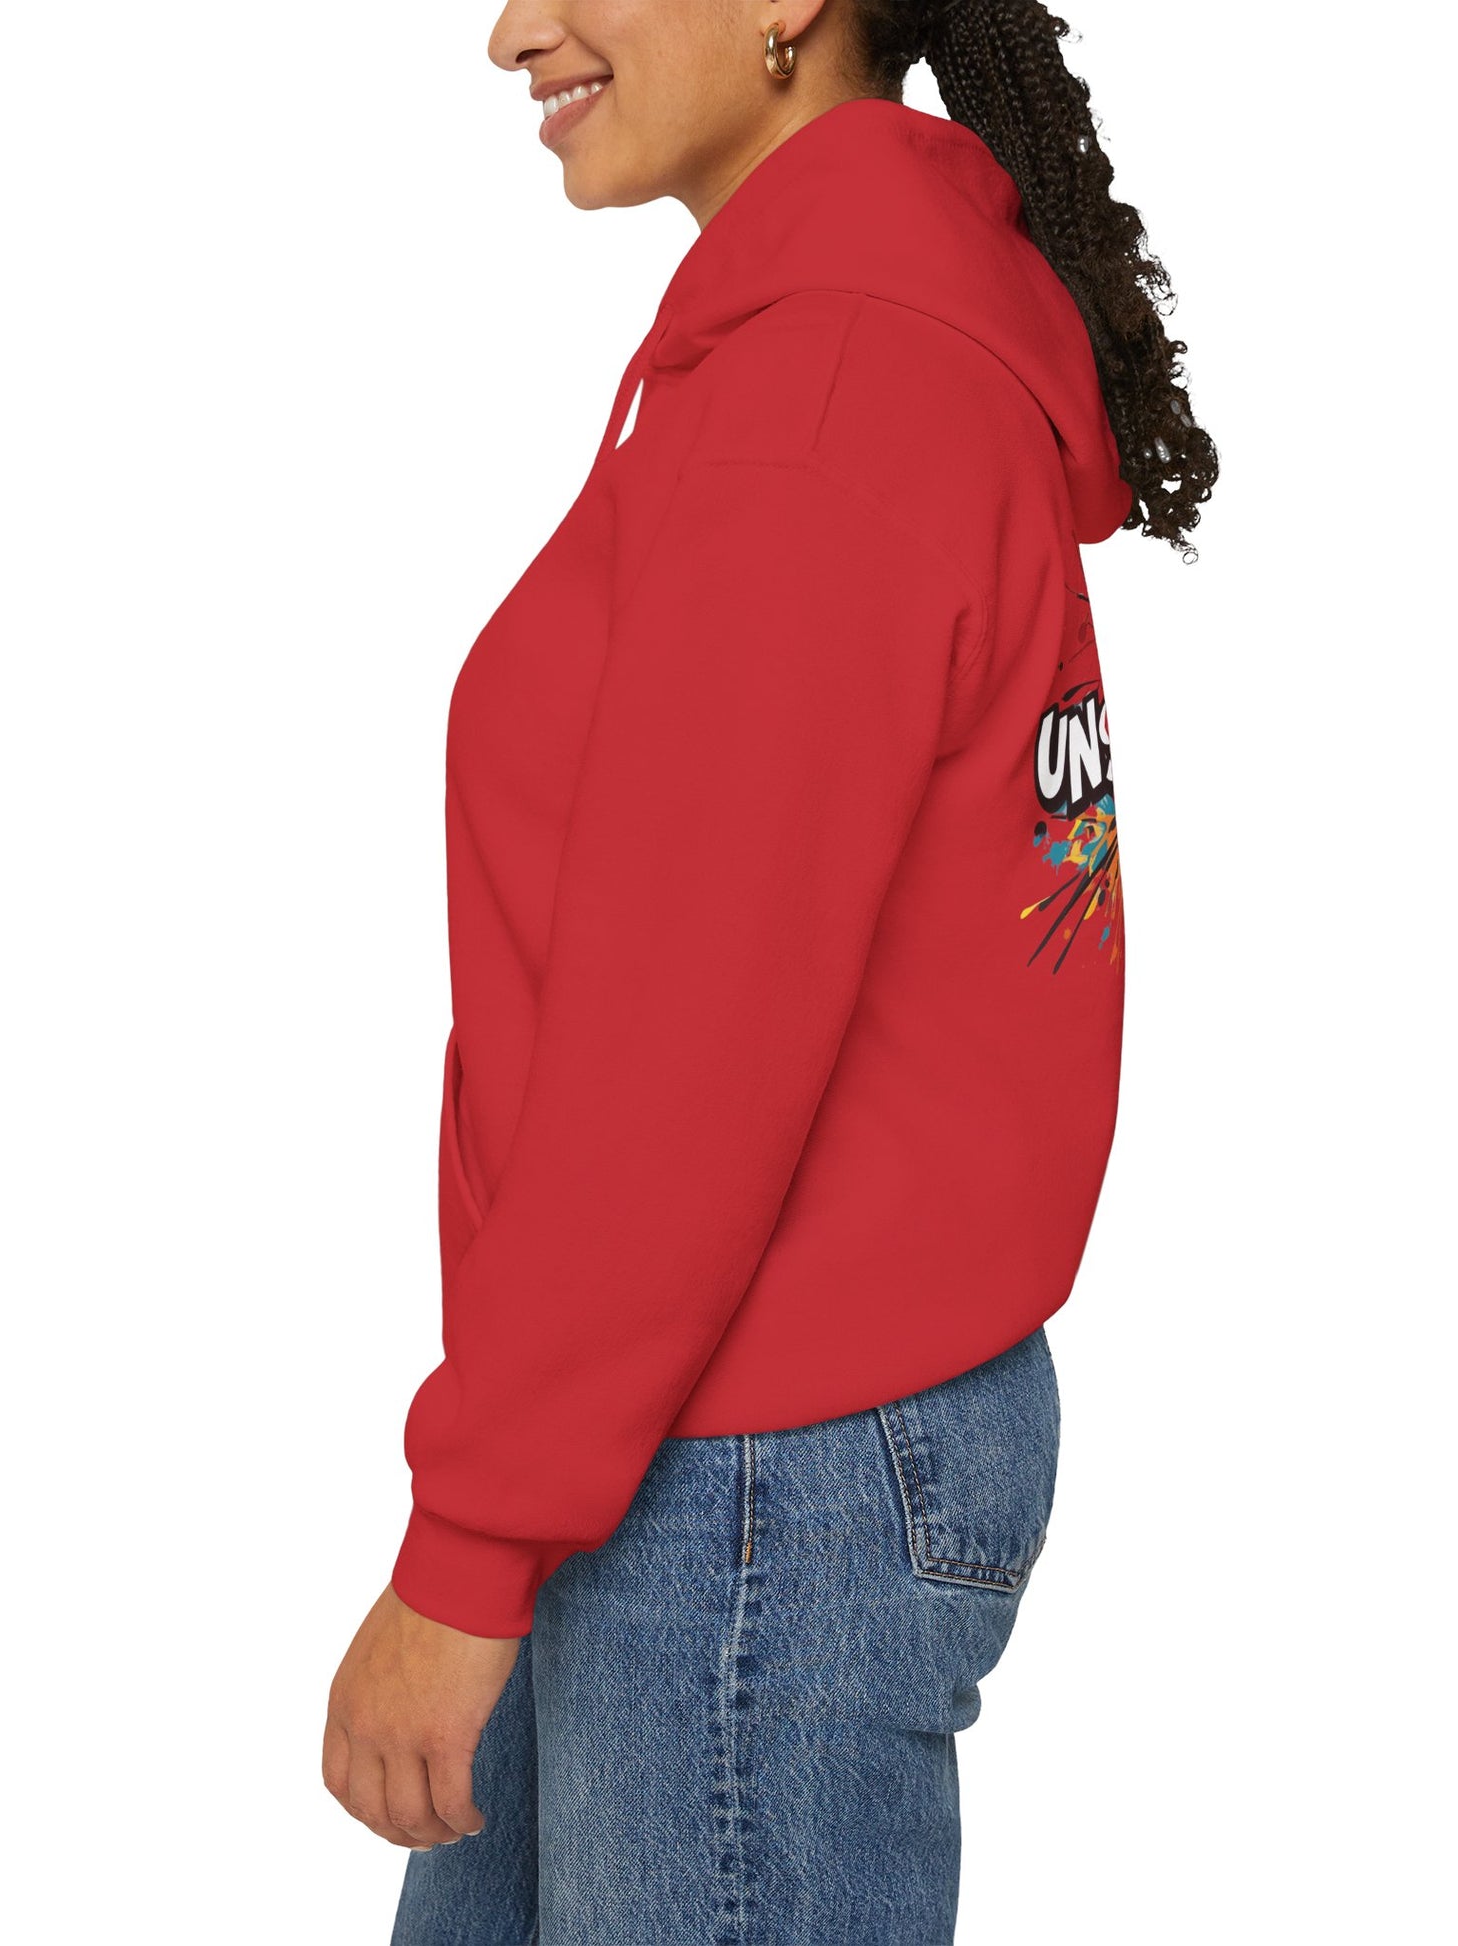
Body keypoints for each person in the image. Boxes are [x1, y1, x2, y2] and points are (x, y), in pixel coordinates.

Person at [324, 1, 1214, 1937]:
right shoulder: (830, 348)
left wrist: (467, 1541)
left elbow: (682, 1055)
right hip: (679, 1437)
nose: (511, 31)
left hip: (748, 1478)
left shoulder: (829, 393)